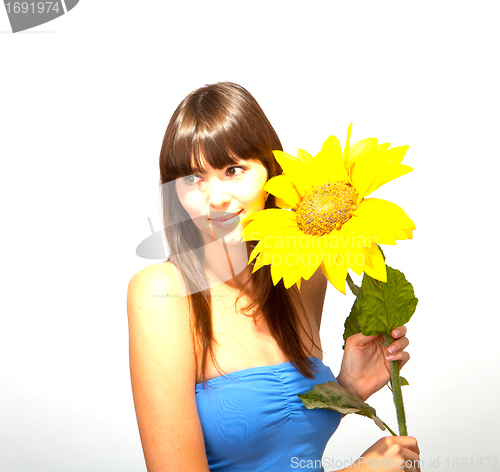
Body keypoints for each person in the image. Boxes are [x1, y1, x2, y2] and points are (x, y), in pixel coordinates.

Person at [127, 82, 420, 472]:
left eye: (234, 170)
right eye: (193, 179)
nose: (215, 198)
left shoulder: (301, 276)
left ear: (270, 174)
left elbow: (281, 443)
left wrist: (345, 390)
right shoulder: (163, 293)